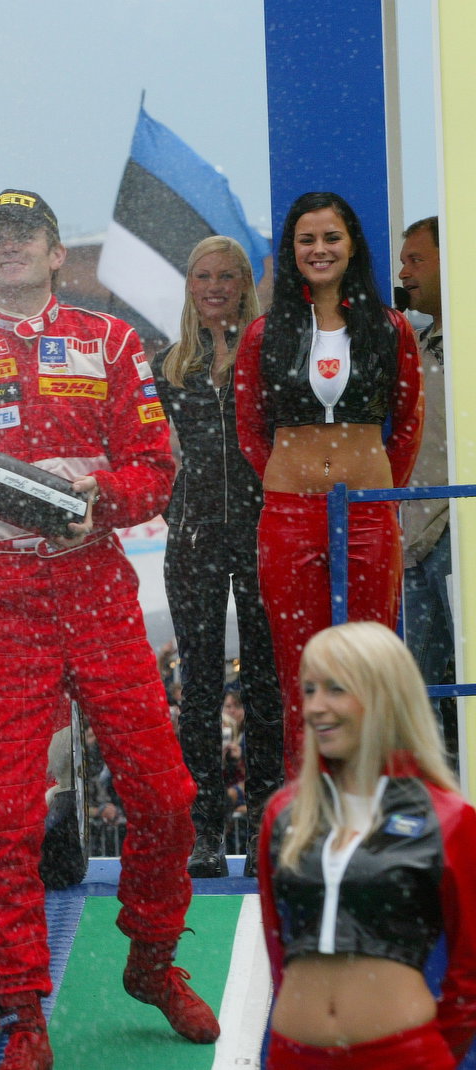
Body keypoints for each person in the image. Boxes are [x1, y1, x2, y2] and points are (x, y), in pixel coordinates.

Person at [0, 189, 218, 1069]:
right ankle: (23, 1008)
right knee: (3, 814)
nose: (11, 249)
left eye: (26, 235)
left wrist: (98, 497)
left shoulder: (109, 342)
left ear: (57, 252)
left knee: (166, 796)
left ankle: (152, 960)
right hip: (0, 602)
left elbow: (154, 469)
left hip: (97, 588)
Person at [235, 191, 422, 777]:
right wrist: (290, 479)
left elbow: (408, 424)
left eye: (331, 238)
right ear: (291, 251)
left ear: (352, 247)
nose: (320, 250)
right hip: (289, 516)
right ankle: (310, 808)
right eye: (306, 239)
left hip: (367, 513)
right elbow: (250, 430)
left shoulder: (391, 328)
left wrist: (370, 487)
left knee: (370, 662)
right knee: (302, 667)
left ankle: (377, 802)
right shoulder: (263, 335)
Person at [258, 621, 476, 1068]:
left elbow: (470, 971)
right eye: (310, 689)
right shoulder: (284, 814)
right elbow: (278, 947)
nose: (316, 707)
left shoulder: (449, 817)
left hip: (402, 1055)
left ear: (385, 696)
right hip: (293, 1055)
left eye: (336, 689)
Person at [152, 236, 282, 878]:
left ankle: (266, 829)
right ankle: (202, 835)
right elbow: (147, 456)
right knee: (199, 689)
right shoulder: (167, 365)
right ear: (188, 284)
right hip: (195, 539)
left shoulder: (269, 353)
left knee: (266, 685)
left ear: (243, 284)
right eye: (202, 275)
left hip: (262, 533)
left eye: (226, 276)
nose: (213, 287)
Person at [397, 217, 455, 758]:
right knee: (418, 690)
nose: (403, 272)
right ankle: (439, 812)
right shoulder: (411, 342)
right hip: (414, 535)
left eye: (416, 260)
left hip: (460, 528)